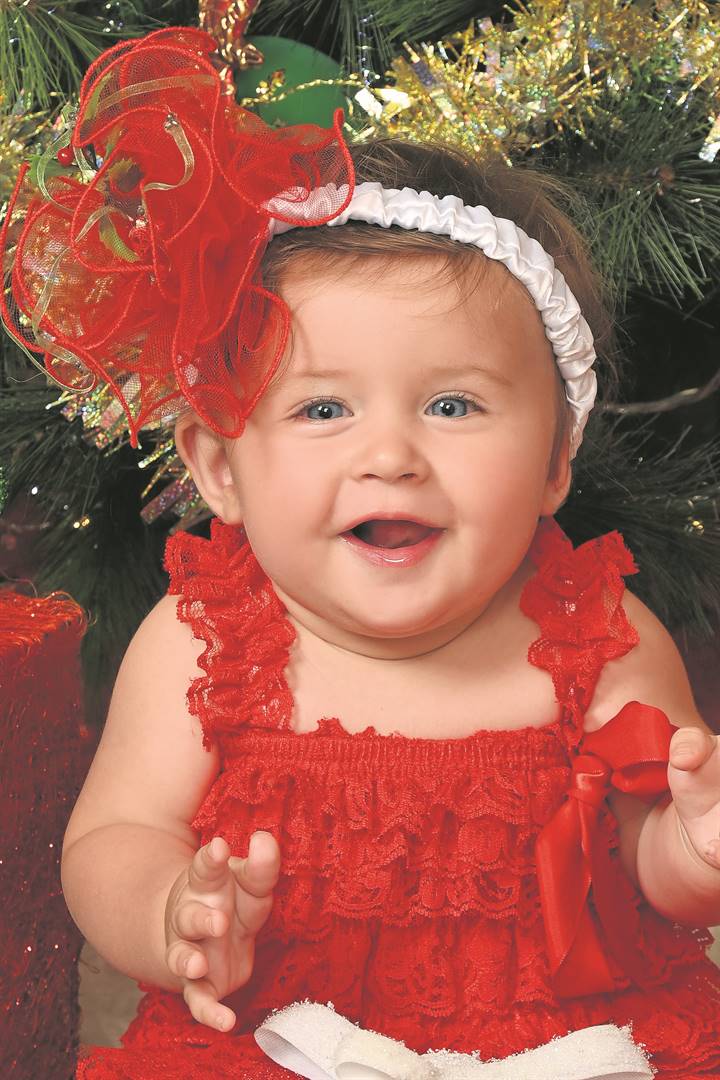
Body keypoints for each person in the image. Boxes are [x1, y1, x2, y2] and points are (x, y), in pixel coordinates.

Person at [3, 26, 719, 1080]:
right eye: (324, 408)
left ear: (554, 461)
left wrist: (694, 850)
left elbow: (647, 860)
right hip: (276, 1039)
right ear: (220, 467)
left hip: (565, 1046)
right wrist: (170, 911)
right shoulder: (206, 645)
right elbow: (113, 835)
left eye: (453, 405)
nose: (390, 456)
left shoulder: (600, 637)